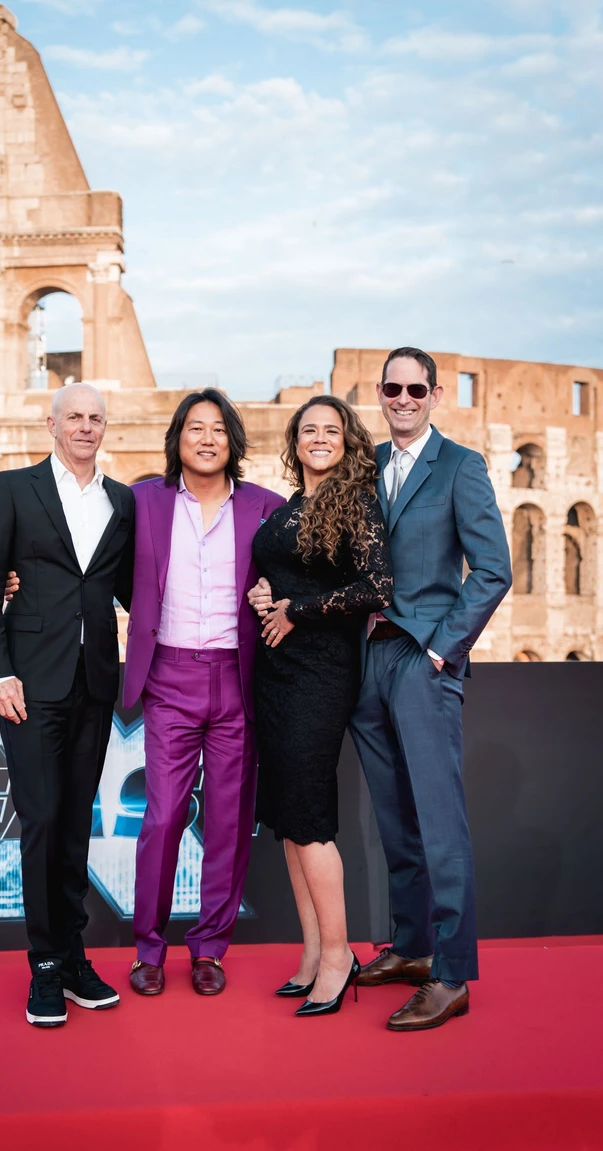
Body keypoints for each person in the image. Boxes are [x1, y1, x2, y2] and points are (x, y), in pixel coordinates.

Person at [347, 347, 512, 1031]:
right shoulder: (366, 469)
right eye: (393, 387)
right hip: (368, 661)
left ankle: (450, 974)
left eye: (417, 389)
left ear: (435, 395)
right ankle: (412, 946)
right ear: (380, 393)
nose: (404, 398)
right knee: (395, 820)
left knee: (439, 823)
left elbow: (493, 568)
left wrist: (443, 648)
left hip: (422, 659)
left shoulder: (460, 465)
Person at [0, 382, 134, 1028]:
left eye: (96, 418)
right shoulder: (14, 488)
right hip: (30, 685)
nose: (86, 427)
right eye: (75, 417)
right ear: (52, 423)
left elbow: (131, 587)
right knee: (41, 822)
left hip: (94, 683)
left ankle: (72, 957)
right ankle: (42, 964)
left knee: (73, 825)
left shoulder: (121, 500)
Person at [123, 389, 285, 996]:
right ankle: (148, 948)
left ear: (232, 441)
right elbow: (98, 567)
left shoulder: (267, 507)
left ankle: (210, 948)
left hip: (239, 679)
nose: (208, 438)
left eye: (219, 428)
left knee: (228, 821)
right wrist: (18, 581)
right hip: (168, 677)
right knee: (164, 815)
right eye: (196, 427)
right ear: (179, 438)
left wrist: (276, 597)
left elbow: (298, 578)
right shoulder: (142, 500)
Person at [250, 395, 393, 1017]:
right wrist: (264, 594)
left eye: (330, 430)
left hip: (320, 672)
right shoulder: (289, 507)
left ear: (347, 440)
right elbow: (284, 575)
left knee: (309, 817)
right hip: (275, 671)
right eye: (308, 429)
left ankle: (340, 955)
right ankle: (312, 952)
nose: (318, 438)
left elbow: (377, 587)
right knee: (288, 818)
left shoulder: (355, 501)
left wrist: (296, 610)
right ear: (295, 440)